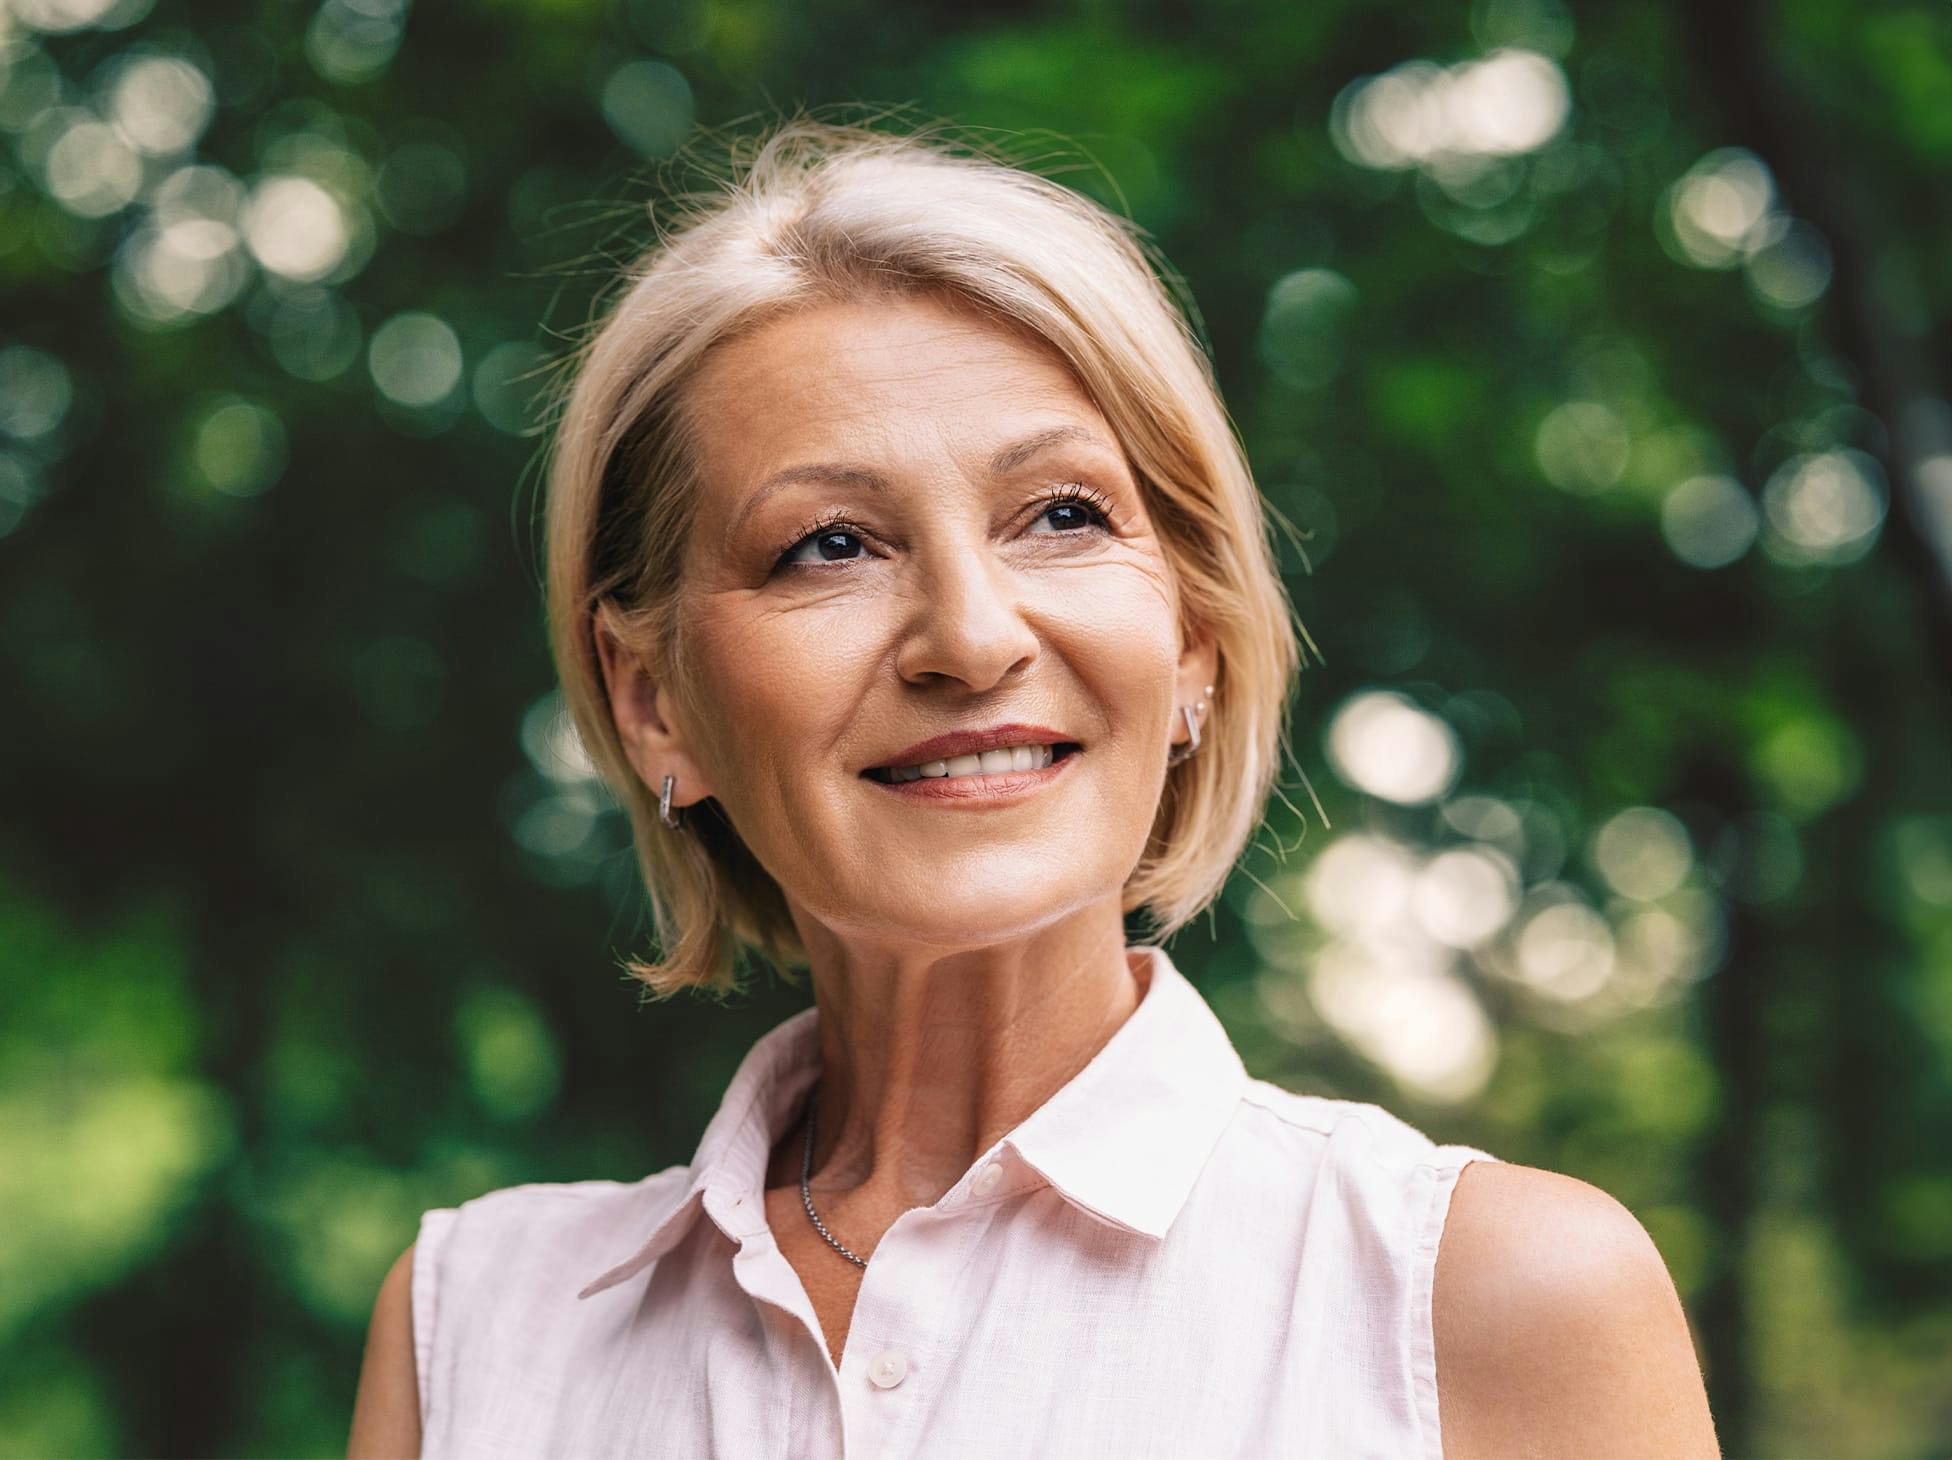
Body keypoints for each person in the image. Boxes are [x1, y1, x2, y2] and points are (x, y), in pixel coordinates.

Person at [348, 117, 1721, 1458]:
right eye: (830, 545)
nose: (971, 636)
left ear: (1191, 634)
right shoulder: (472, 1328)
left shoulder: (1487, 1303)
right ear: (653, 699)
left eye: (1062, 515)